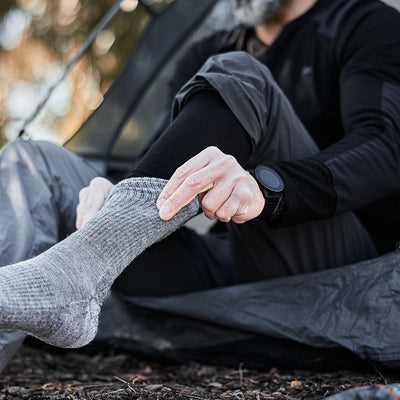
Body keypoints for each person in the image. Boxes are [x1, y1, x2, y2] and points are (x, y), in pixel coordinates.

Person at [0, 0, 399, 348]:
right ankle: (33, 308)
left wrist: (269, 187)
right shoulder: (209, 48)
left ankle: (74, 277)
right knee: (31, 159)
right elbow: (158, 163)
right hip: (224, 268)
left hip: (337, 274)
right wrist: (112, 188)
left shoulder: (364, 23)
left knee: (239, 72)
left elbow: (386, 146)